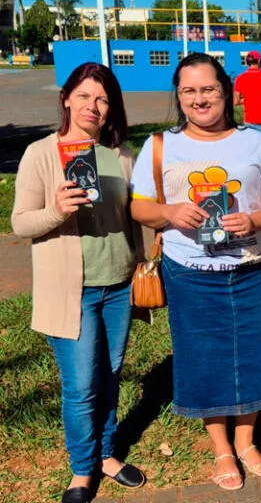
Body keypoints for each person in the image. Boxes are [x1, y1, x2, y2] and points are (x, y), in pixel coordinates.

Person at [130, 53, 261, 492]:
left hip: (246, 266)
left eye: (208, 89)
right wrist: (169, 211)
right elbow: (139, 205)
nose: (199, 99)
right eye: (189, 91)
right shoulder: (161, 145)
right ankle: (221, 448)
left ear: (226, 92)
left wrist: (255, 220)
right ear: (179, 96)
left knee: (251, 353)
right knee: (203, 358)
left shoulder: (255, 142)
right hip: (188, 269)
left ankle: (246, 441)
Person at [11, 62, 147, 503]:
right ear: (67, 98)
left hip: (119, 285)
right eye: (85, 96)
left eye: (103, 99)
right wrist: (56, 210)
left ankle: (107, 455)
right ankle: (81, 469)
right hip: (73, 292)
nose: (93, 106)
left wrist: (145, 262)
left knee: (109, 375)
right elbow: (20, 223)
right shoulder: (41, 153)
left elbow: (133, 220)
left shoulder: (121, 155)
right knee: (81, 386)